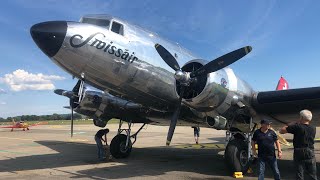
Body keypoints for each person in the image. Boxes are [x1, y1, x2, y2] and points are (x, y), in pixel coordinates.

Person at [280, 109, 317, 180]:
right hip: (310, 150)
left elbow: (281, 131)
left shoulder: (297, 127)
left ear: (302, 117)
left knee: (299, 173)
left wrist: (290, 124)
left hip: (299, 151)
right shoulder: (313, 128)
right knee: (312, 174)